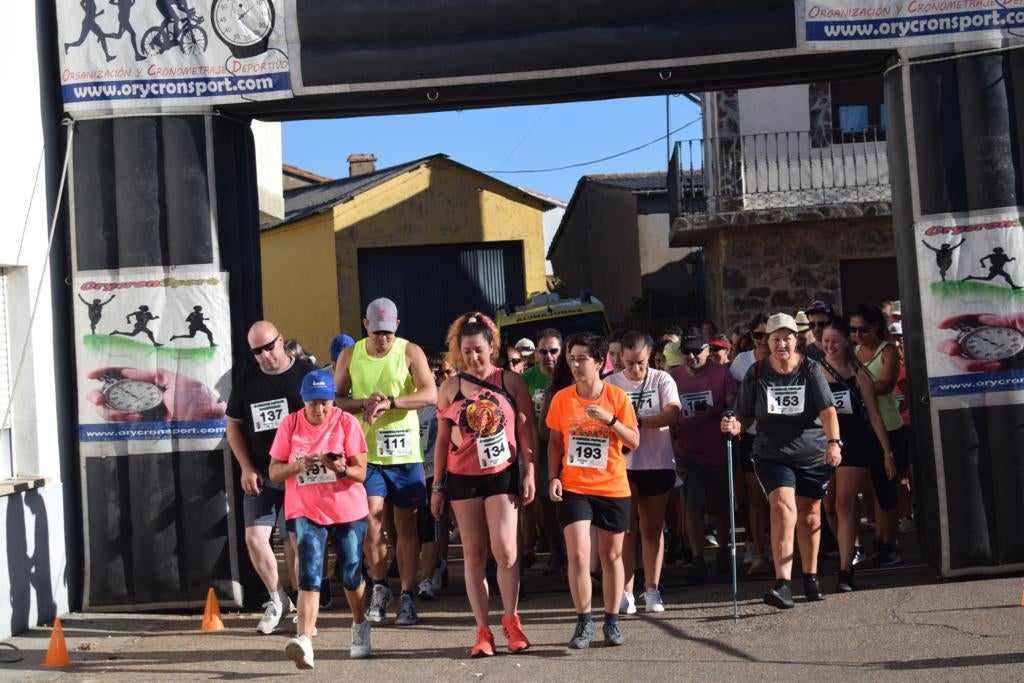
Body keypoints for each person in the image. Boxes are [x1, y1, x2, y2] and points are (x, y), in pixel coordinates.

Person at [431, 313, 536, 656]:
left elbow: (525, 431)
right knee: (474, 554)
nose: (473, 358)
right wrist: (437, 485)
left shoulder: (510, 382)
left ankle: (511, 620)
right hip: (463, 478)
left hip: (501, 474)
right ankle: (482, 630)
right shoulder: (450, 388)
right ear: (458, 352)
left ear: (491, 346)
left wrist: (530, 471)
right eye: (466, 351)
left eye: (479, 350)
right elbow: (442, 441)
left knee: (505, 550)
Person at [722, 313, 842, 609]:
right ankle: (783, 583)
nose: (781, 343)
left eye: (787, 338)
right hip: (771, 454)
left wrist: (833, 442)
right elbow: (744, 413)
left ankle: (811, 578)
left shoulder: (810, 369)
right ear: (767, 342)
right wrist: (735, 425)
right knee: (783, 507)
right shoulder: (757, 372)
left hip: (811, 452)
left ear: (796, 340)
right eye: (775, 338)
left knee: (811, 514)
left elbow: (827, 410)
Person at [333, 298, 437, 626]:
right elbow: (335, 399)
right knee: (369, 519)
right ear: (365, 326)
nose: (383, 339)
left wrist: (391, 402)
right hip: (367, 453)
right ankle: (380, 586)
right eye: (377, 332)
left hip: (405, 453)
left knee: (406, 524)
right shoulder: (351, 354)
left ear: (397, 327)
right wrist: (365, 401)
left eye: (388, 333)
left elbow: (430, 393)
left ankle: (407, 594)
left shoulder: (410, 352)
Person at [269, 369, 371, 667]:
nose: (320, 409)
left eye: (325, 402)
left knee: (351, 574)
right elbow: (274, 471)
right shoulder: (290, 424)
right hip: (307, 510)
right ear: (303, 401)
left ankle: (359, 623)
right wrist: (299, 465)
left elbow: (361, 473)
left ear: (333, 401)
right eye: (313, 403)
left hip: (346, 510)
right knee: (309, 573)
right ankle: (305, 640)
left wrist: (338, 467)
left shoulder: (346, 422)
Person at [546, 333, 640, 648]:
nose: (575, 363)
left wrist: (610, 420)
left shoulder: (617, 397)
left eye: (582, 358)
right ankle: (584, 622)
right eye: (572, 358)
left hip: (612, 485)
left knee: (611, 556)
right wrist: (553, 476)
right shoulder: (562, 398)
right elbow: (556, 442)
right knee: (579, 555)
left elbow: (633, 440)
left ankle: (611, 621)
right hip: (574, 486)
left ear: (600, 362)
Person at [226, 321, 314, 633]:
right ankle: (278, 599)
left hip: (297, 474)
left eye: (269, 347)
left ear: (281, 340)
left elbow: (324, 418)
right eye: (257, 351)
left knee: (297, 542)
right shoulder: (247, 380)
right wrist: (246, 467)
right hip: (261, 475)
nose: (265, 355)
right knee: (254, 538)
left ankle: (304, 610)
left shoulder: (304, 373)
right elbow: (233, 425)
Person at [818, 319, 895, 592]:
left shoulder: (859, 374)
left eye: (835, 341)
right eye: (825, 341)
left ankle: (845, 570)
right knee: (829, 507)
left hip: (855, 443)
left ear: (846, 342)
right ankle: (847, 549)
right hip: (823, 444)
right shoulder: (814, 372)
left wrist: (887, 453)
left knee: (844, 504)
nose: (830, 346)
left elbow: (874, 416)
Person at [606, 332, 680, 613]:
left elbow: (673, 413)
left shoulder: (662, 379)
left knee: (652, 527)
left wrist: (636, 422)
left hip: (657, 460)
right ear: (619, 359)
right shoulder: (611, 383)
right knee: (626, 530)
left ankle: (652, 589)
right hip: (623, 465)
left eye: (640, 363)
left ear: (650, 356)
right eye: (628, 364)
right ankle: (626, 591)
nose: (635, 369)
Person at [669, 328, 738, 581]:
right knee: (692, 505)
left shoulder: (722, 374)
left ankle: (723, 550)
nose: (691, 356)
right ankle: (698, 558)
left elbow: (734, 407)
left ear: (707, 351)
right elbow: (666, 408)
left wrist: (715, 413)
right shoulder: (673, 376)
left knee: (720, 506)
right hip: (687, 452)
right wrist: (671, 424)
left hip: (718, 450)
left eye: (696, 351)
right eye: (686, 352)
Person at [850, 304, 902, 566]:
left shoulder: (888, 350)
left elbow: (888, 384)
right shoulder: (854, 352)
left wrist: (860, 387)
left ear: (876, 328)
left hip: (890, 426)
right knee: (873, 488)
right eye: (853, 330)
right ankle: (880, 539)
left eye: (863, 329)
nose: (857, 335)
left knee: (887, 489)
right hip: (866, 429)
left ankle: (888, 544)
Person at [729, 313, 771, 575]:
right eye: (758, 335)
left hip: (780, 435)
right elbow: (734, 400)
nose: (764, 340)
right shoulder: (741, 363)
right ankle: (757, 549)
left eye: (769, 334)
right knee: (753, 496)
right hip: (751, 435)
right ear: (751, 337)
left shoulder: (786, 359)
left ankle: (779, 550)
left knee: (778, 497)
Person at [522, 329, 565, 577]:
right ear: (536, 354)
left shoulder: (570, 376)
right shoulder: (528, 378)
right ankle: (556, 549)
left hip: (567, 450)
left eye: (554, 351)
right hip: (539, 449)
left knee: (567, 503)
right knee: (544, 503)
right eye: (544, 351)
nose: (549, 356)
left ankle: (572, 553)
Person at [415, 348, 451, 601]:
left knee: (431, 525)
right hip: (405, 470)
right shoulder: (400, 399)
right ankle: (431, 567)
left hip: (431, 473)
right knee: (406, 528)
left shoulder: (440, 398)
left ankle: (426, 579)